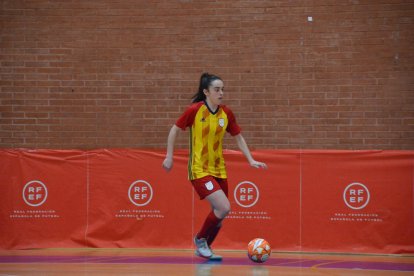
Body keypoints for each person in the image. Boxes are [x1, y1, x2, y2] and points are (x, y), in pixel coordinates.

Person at [162, 72, 267, 260]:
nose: (221, 93)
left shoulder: (226, 113)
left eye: (222, 90)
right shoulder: (194, 110)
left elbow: (238, 137)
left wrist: (250, 160)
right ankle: (200, 240)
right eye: (217, 90)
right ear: (206, 92)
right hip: (199, 169)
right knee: (224, 207)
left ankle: (205, 247)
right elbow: (174, 130)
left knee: (220, 213)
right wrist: (169, 157)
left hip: (219, 169)